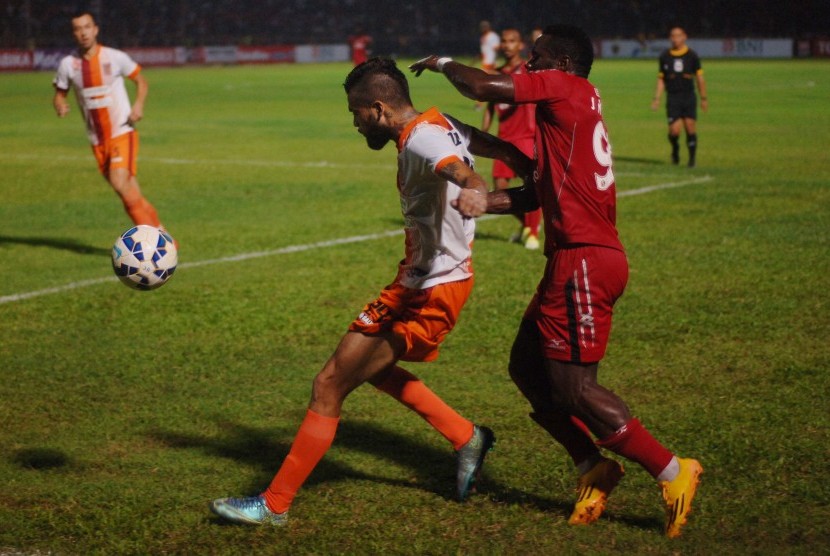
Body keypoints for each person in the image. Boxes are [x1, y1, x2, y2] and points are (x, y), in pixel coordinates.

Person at [210, 57, 532, 526]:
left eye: (356, 114)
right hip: (413, 281)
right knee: (369, 372)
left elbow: (458, 171)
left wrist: (476, 189)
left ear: (378, 110)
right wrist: (517, 158)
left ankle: (274, 504)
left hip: (434, 290)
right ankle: (466, 437)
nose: (355, 124)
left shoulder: (422, 137)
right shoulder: (436, 121)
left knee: (329, 384)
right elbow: (475, 140)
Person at [410, 25, 702, 538]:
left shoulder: (566, 88)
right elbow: (533, 194)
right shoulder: (565, 117)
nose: (528, 68)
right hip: (572, 260)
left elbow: (482, 86)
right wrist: (483, 200)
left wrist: (440, 62)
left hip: (586, 261)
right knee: (527, 368)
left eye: (537, 60)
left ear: (562, 66)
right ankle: (593, 465)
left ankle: (674, 471)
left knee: (576, 389)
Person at [52, 11, 169, 232]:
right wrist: (59, 103)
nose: (83, 33)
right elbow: (60, 93)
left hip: (121, 131)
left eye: (87, 27)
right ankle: (163, 236)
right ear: (73, 33)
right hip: (97, 140)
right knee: (128, 193)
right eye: (78, 29)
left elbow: (141, 81)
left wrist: (138, 105)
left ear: (95, 29)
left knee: (119, 182)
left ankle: (153, 243)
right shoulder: (68, 65)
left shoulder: (115, 57)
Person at [480, 28, 540, 250]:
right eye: (504, 41)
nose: (507, 45)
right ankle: (527, 224)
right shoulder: (496, 74)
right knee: (500, 186)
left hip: (526, 135)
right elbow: (490, 106)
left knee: (532, 185)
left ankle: (532, 233)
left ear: (520, 45)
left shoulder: (528, 69)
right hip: (504, 138)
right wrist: (483, 132)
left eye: (512, 41)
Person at [650, 26, 708, 167]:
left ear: (684, 37)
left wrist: (703, 98)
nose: (675, 39)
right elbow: (661, 79)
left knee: (690, 126)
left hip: (688, 96)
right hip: (673, 98)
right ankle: (675, 149)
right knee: (674, 131)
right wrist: (657, 98)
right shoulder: (665, 56)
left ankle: (691, 161)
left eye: (678, 35)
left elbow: (700, 78)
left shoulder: (692, 56)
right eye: (672, 36)